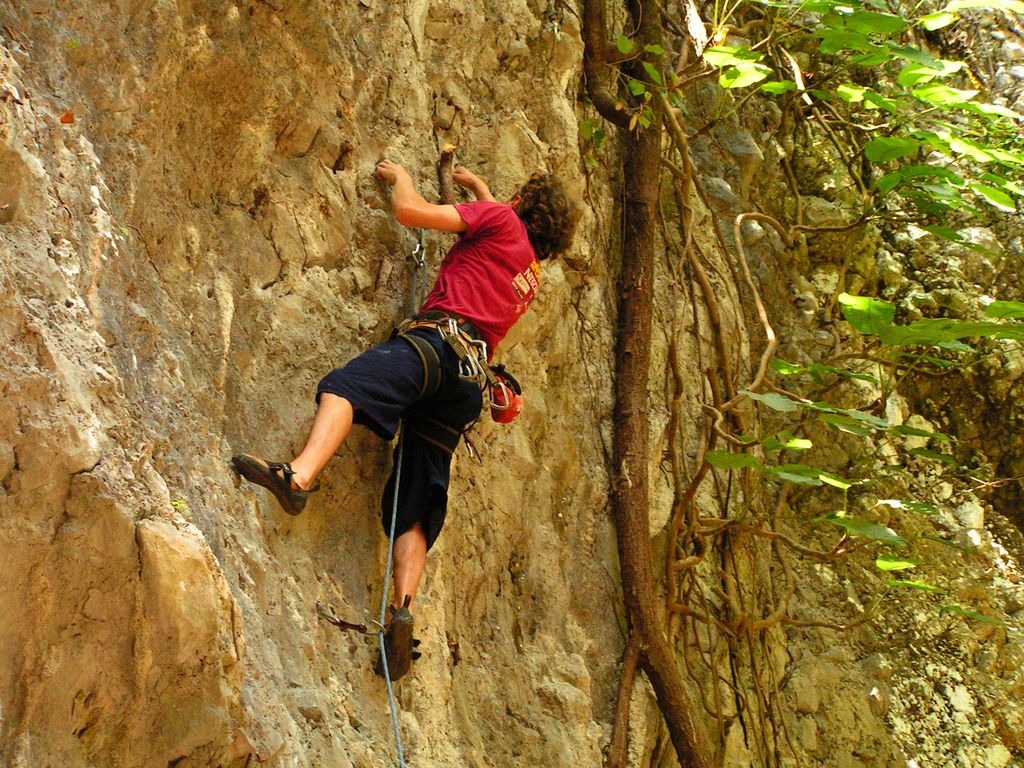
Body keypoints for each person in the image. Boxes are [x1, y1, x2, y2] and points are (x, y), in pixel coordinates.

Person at [231, 159, 575, 678]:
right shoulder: (531, 273)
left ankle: (298, 476)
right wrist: (478, 188)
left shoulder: (498, 222)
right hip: (466, 385)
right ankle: (403, 610)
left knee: (348, 386)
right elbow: (497, 215)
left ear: (521, 207)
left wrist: (401, 178)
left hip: (437, 347)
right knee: (416, 496)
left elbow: (410, 213)